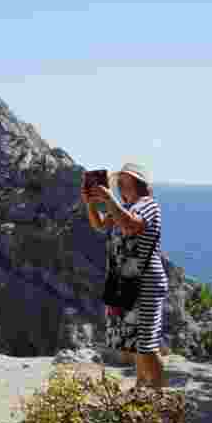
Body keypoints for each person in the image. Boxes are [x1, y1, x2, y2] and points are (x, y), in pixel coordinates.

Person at [81, 162, 168, 389]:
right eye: (119, 182)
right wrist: (90, 204)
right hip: (125, 282)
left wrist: (109, 200)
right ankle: (141, 388)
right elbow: (100, 226)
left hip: (146, 282)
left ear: (139, 183)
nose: (120, 184)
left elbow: (131, 226)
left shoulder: (147, 205)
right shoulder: (126, 206)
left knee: (147, 344)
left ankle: (160, 398)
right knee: (134, 343)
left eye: (125, 180)